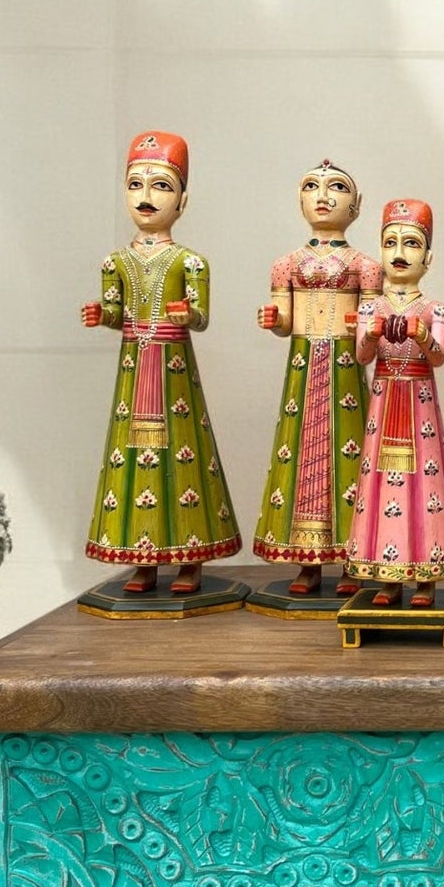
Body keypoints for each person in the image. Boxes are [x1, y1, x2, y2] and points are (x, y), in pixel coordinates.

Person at [80, 131, 242, 595]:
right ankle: (143, 560)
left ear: (183, 201)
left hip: (174, 374)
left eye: (161, 186)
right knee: (132, 458)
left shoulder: (191, 262)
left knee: (183, 454)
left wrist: (187, 315)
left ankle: (191, 560)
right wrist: (103, 314)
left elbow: (201, 316)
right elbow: (118, 313)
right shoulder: (115, 262)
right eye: (135, 184)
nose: (145, 196)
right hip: (134, 371)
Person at [253, 161, 380, 596]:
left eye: (337, 188)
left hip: (346, 370)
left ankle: (351, 559)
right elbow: (286, 322)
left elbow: (373, 324)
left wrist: (364, 327)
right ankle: (307, 563)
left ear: (356, 206)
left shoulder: (366, 266)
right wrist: (274, 320)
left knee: (350, 453)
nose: (323, 196)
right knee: (299, 450)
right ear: (300, 200)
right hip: (303, 366)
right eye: (312, 186)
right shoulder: (286, 264)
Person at [345, 199, 444, 606]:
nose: (400, 253)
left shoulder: (436, 309)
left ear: (428, 258)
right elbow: (363, 356)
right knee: (382, 482)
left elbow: (438, 357)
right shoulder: (370, 307)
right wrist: (369, 333)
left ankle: (426, 578)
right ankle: (388, 577)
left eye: (412, 243)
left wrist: (422, 335)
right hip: (383, 401)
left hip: (419, 401)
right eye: (391, 242)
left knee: (424, 482)